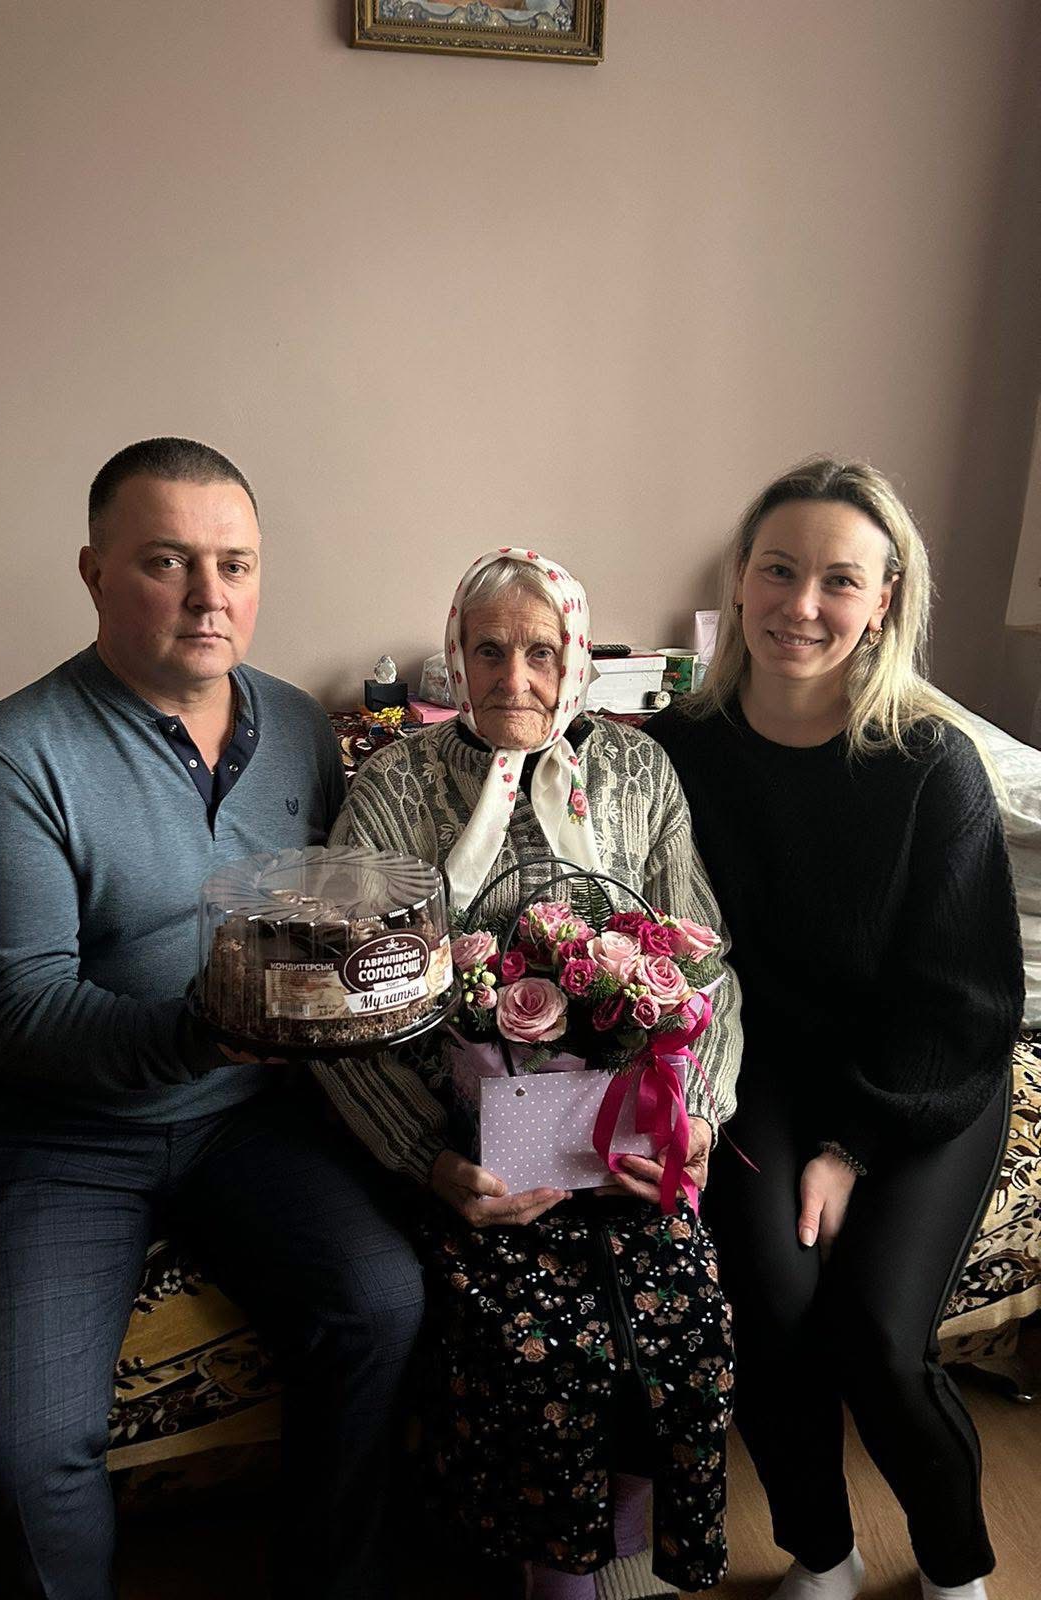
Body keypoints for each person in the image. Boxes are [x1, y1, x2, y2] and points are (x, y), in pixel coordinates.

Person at [0, 437, 423, 1600]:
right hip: (57, 1131)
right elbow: (12, 1010)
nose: (210, 595)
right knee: (20, 1447)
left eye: (234, 564)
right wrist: (202, 1029)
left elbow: (340, 915)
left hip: (246, 1118)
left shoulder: (299, 726)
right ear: (94, 572)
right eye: (167, 561)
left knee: (381, 1302)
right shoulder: (15, 753)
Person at [314, 548, 744, 1600]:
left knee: (688, 1314)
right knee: (531, 1343)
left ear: (577, 657)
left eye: (541, 652)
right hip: (472, 1148)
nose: (515, 677)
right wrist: (428, 1159)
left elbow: (708, 963)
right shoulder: (396, 782)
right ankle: (553, 1574)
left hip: (625, 1134)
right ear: (455, 657)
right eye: (490, 650)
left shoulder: (638, 770)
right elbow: (343, 997)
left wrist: (694, 1115)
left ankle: (625, 1538)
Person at [645, 458, 1024, 1600]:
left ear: (884, 600)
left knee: (875, 1334)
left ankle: (954, 1565)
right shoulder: (677, 752)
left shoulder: (931, 766)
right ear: (740, 577)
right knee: (768, 1304)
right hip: (761, 1074)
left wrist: (851, 1146)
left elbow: (964, 1002)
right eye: (778, 569)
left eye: (839, 581)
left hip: (924, 1077)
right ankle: (823, 1550)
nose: (801, 605)